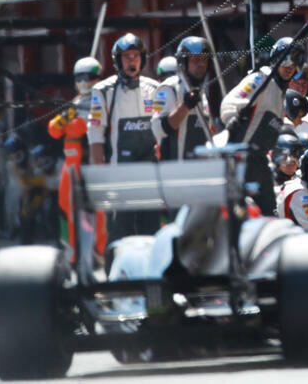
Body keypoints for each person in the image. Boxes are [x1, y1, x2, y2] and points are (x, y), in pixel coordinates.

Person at [220, 36, 303, 215]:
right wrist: (232, 118)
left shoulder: (281, 92)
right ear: (275, 58)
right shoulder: (261, 79)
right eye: (285, 59)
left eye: (295, 61)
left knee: (269, 212)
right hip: (240, 159)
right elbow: (230, 103)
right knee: (241, 213)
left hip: (260, 162)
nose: (289, 66)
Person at [88, 33, 160, 238]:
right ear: (118, 60)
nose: (132, 60)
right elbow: (95, 134)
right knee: (120, 234)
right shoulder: (103, 90)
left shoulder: (154, 88)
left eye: (136, 56)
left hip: (150, 175)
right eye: (127, 56)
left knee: (151, 232)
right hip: (119, 175)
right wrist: (100, 175)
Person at [48, 56, 104, 276]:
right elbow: (53, 130)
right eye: (79, 78)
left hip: (96, 166)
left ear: (97, 78)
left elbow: (91, 129)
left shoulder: (104, 100)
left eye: (88, 77)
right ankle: (70, 256)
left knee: (103, 214)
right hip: (72, 168)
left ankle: (101, 254)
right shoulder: (73, 104)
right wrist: (66, 116)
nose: (83, 82)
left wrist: (78, 122)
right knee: (65, 210)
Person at [151, 37, 212, 161]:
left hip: (200, 169)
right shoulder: (168, 88)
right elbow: (158, 130)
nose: (201, 64)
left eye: (204, 60)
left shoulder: (201, 92)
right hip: (173, 170)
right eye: (195, 60)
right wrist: (185, 107)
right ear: (183, 63)